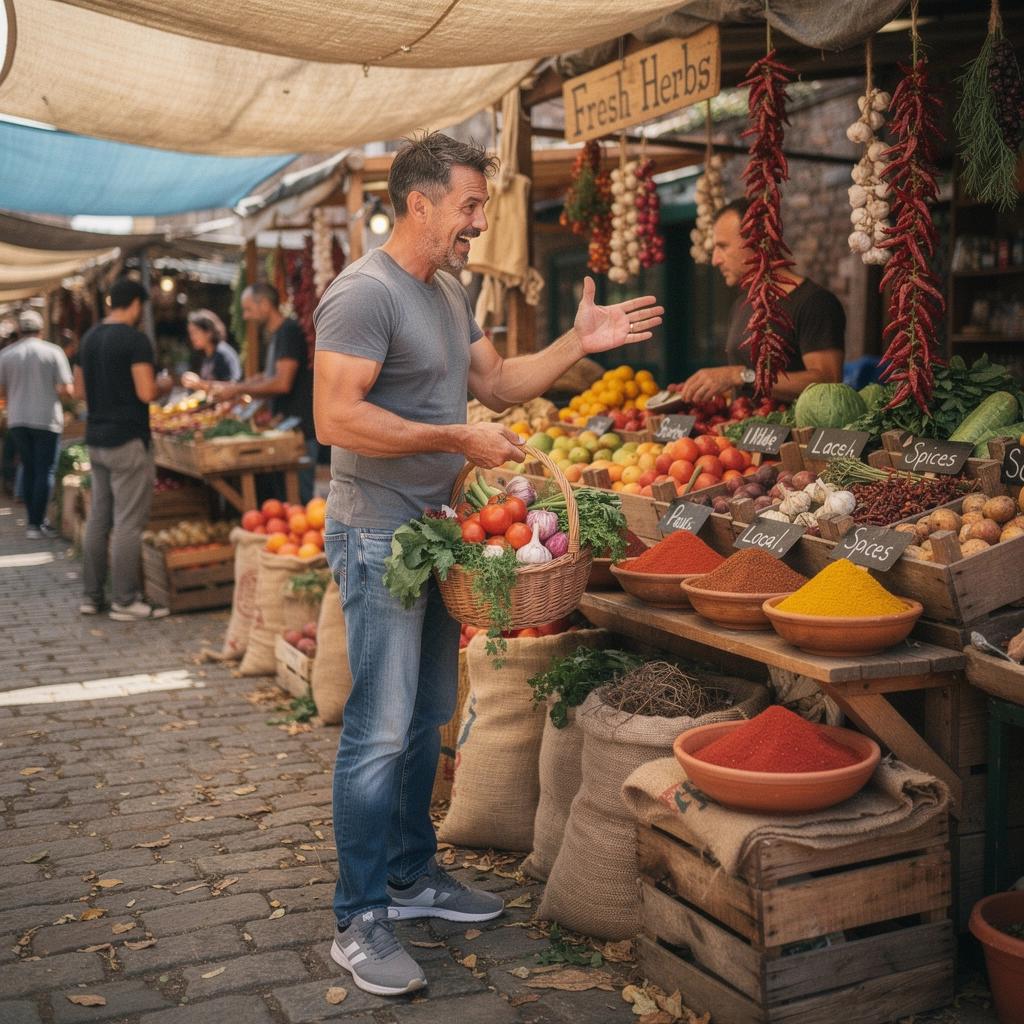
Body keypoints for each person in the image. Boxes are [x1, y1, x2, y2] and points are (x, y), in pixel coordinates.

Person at [313, 131, 663, 998]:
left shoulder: (448, 289)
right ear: (420, 202)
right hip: (378, 533)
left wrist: (581, 342)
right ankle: (359, 917)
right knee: (380, 727)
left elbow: (501, 384)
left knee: (429, 710)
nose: (480, 220)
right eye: (470, 203)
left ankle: (410, 875)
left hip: (439, 531)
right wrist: (452, 435)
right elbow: (336, 418)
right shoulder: (363, 294)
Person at [678, 198, 845, 403]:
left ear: (756, 242)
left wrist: (739, 376)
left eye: (722, 247)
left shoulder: (814, 302)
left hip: (796, 433)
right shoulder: (743, 303)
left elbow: (828, 381)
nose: (715, 260)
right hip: (744, 430)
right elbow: (744, 390)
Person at [75, 278, 173, 620]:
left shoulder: (88, 339)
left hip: (96, 439)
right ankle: (125, 599)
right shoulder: (135, 341)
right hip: (128, 440)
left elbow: (78, 391)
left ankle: (91, 597)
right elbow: (146, 392)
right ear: (134, 304)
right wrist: (165, 384)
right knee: (128, 523)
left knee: (98, 520)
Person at [209, 284, 316, 502]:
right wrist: (240, 388)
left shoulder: (288, 331)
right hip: (286, 427)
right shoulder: (277, 334)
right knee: (287, 502)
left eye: (248, 309)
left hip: (299, 429)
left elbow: (281, 383)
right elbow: (269, 376)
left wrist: (238, 389)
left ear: (265, 305)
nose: (246, 316)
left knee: (300, 502)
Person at [0, 309, 73, 538]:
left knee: (29, 468)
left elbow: (1, 390)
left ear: (20, 330)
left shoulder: (6, 355)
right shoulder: (53, 352)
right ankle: (37, 521)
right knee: (45, 470)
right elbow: (66, 389)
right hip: (46, 419)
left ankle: (33, 523)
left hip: (17, 419)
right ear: (41, 330)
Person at [181, 309, 241, 386]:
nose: (192, 337)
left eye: (195, 332)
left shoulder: (222, 354)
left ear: (209, 333)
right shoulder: (207, 355)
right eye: (190, 333)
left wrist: (199, 383)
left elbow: (231, 386)